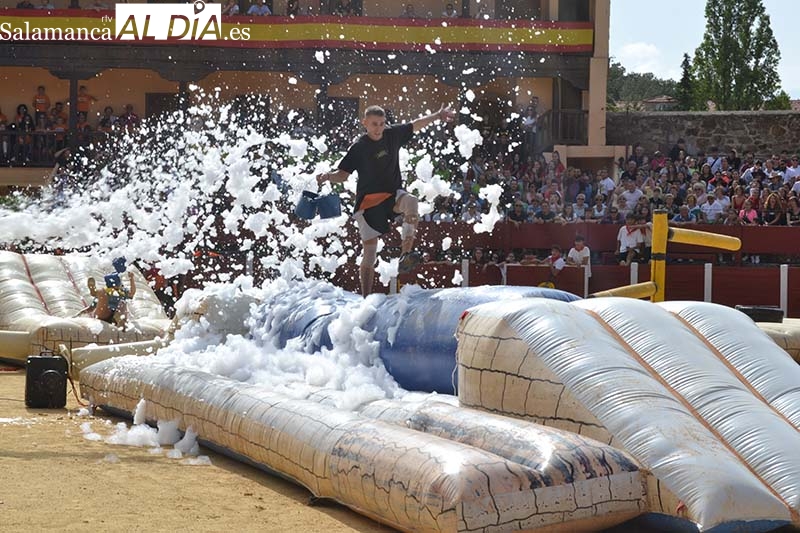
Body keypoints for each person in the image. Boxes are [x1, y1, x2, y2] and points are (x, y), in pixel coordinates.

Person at [316, 103, 455, 297]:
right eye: (374, 124)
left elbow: (414, 124)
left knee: (412, 201)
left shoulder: (392, 134)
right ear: (364, 123)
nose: (378, 128)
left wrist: (438, 115)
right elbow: (343, 175)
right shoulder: (359, 147)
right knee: (370, 253)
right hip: (368, 204)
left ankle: (405, 254)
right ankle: (365, 296)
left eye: (381, 124)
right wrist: (327, 176)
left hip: (392, 195)